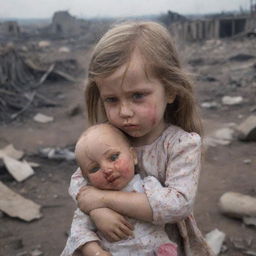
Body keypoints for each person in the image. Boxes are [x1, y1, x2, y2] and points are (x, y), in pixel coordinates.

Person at [66, 21, 215, 256]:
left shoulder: (181, 145)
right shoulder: (108, 137)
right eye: (112, 99)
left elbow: (177, 205)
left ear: (170, 90)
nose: (124, 112)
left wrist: (101, 199)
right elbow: (79, 182)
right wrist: (96, 212)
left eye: (137, 95)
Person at [61, 123, 178, 256]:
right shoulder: (91, 203)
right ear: (86, 178)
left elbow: (168, 210)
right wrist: (96, 252)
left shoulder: (149, 186)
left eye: (113, 157)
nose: (106, 169)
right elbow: (78, 233)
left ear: (133, 156)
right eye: (94, 168)